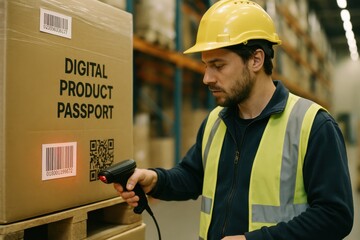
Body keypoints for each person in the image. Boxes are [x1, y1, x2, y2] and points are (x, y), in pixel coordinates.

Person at [114, 0, 354, 239]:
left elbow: (335, 216)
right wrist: (156, 180)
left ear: (256, 60)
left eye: (218, 65)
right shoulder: (216, 121)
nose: (207, 77)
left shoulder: (313, 125)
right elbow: (192, 176)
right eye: (206, 65)